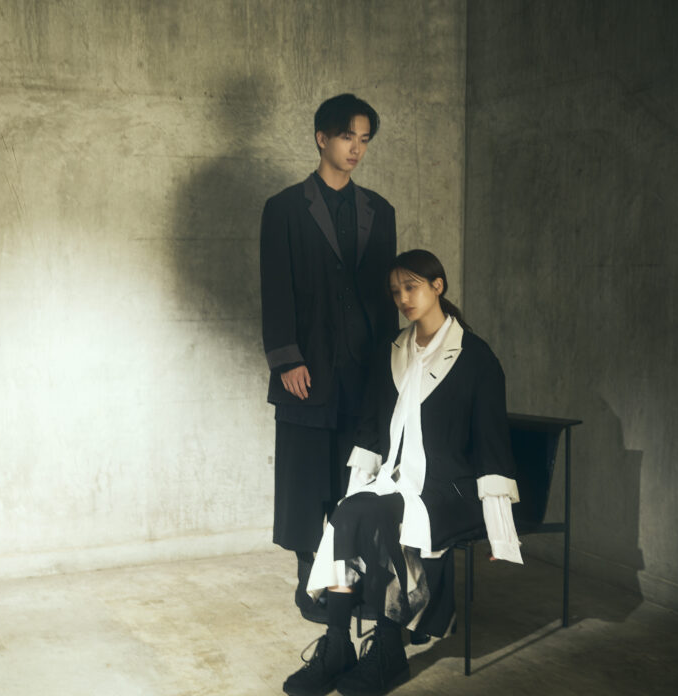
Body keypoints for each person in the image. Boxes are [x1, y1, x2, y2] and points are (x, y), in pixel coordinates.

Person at [282, 249, 523, 696]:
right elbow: (371, 432)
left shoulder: (476, 358)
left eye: (411, 287)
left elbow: (493, 447)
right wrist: (356, 494)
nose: (402, 299)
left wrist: (500, 530)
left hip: (450, 491)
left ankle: (389, 648)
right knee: (348, 513)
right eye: (395, 292)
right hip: (396, 482)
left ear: (438, 286)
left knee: (381, 518)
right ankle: (337, 645)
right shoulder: (392, 352)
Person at [260, 94, 399, 624]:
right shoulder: (284, 209)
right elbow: (275, 289)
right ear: (322, 139)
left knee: (354, 482)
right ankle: (310, 584)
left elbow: (386, 296)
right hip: (308, 370)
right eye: (347, 137)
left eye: (364, 140)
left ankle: (347, 585)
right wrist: (286, 359)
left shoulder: (379, 211)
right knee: (306, 484)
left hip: (364, 372)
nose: (356, 149)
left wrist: (391, 368)